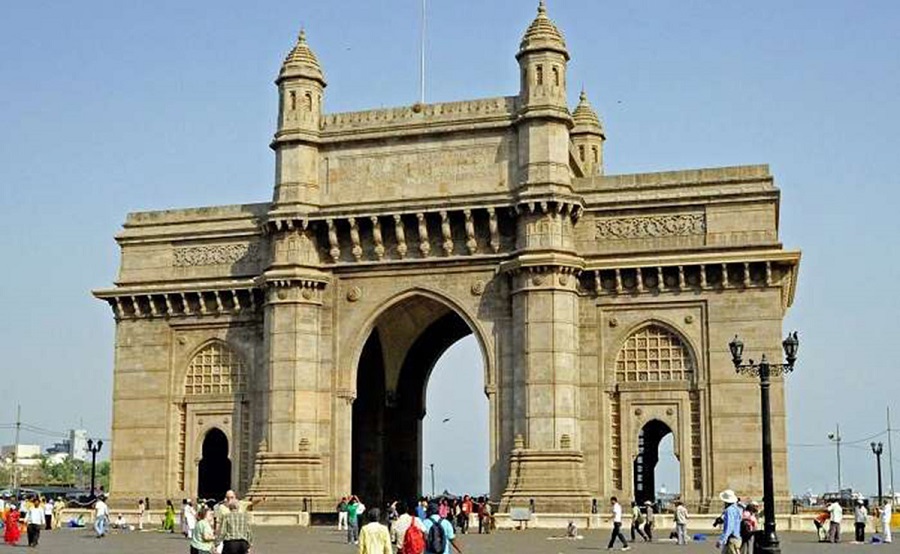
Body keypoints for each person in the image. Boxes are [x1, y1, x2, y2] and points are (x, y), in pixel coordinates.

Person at [715, 489, 742, 554]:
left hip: (732, 539)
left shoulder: (729, 510)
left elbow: (729, 527)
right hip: (736, 538)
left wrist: (721, 540)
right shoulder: (738, 509)